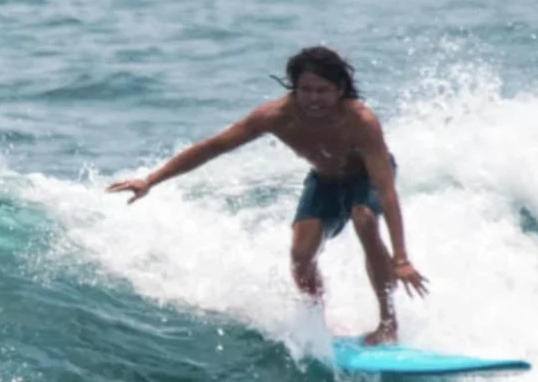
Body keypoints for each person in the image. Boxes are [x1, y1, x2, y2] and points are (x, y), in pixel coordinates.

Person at [107, 46, 429, 345]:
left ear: (340, 89)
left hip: (367, 179)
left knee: (365, 218)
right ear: (294, 87)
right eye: (306, 90)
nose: (314, 99)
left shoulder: (361, 121)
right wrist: (151, 180)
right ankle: (318, 323)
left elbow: (386, 191)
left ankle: (388, 323)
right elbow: (213, 147)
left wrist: (401, 258)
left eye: (323, 91)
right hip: (325, 181)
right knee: (301, 258)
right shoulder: (274, 116)